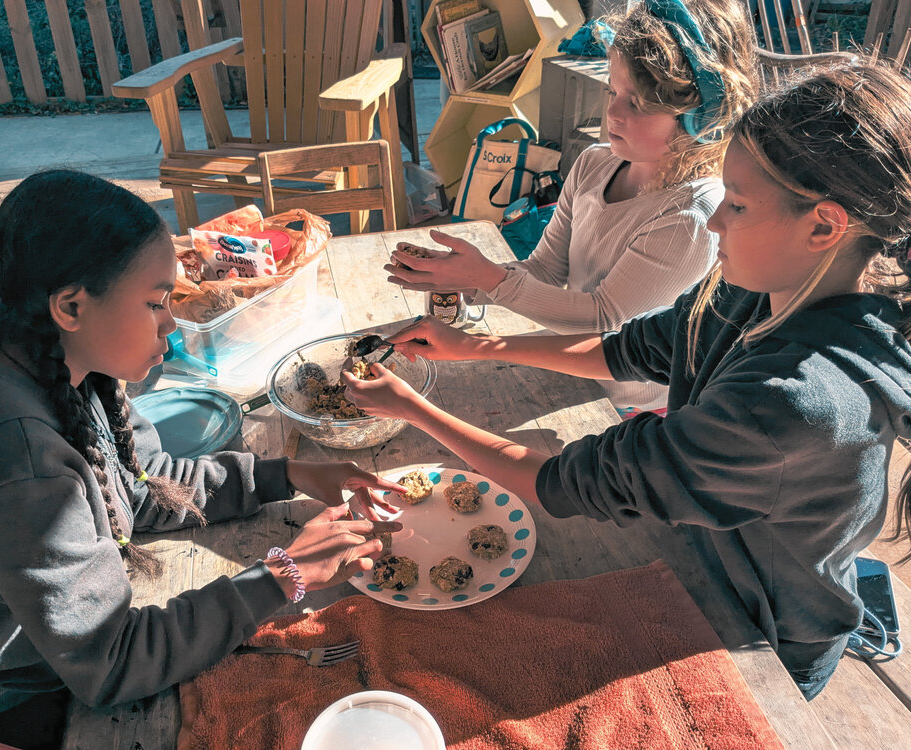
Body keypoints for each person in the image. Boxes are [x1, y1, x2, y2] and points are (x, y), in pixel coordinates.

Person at [344, 60, 911, 700]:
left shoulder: (793, 403)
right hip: (689, 548)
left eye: (740, 204)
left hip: (757, 637)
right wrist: (467, 345)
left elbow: (559, 481)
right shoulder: (760, 292)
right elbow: (629, 350)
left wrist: (412, 407)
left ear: (824, 226)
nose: (716, 220)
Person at [0, 169, 403, 747]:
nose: (173, 322)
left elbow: (141, 486)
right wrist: (281, 575)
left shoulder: (44, 347)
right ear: (70, 304)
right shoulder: (18, 470)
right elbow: (114, 662)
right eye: (155, 301)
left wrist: (289, 474)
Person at [390, 0, 758, 413]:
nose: (613, 112)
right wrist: (464, 279)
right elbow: (546, 269)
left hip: (632, 409)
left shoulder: (690, 217)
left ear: (702, 117)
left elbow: (606, 322)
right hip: (573, 372)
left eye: (636, 103)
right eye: (612, 91)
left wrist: (490, 279)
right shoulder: (595, 163)